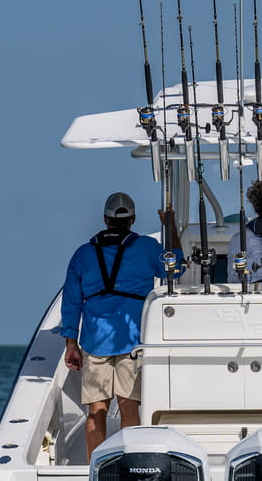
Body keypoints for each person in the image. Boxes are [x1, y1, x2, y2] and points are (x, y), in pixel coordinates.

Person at [60, 192, 179, 458]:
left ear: (105, 219)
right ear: (133, 219)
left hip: (95, 340)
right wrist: (170, 227)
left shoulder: (83, 254)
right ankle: (128, 464)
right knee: (128, 407)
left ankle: (95, 468)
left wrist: (71, 343)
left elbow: (71, 301)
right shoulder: (147, 247)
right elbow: (175, 268)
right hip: (132, 340)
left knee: (96, 411)